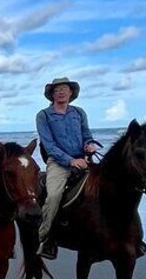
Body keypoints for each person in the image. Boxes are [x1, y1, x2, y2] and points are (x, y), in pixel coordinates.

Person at [35, 77, 98, 260]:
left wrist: (90, 145)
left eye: (64, 89)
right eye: (57, 90)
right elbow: (49, 145)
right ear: (52, 94)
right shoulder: (44, 115)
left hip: (83, 159)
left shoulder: (78, 112)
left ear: (71, 93)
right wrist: (70, 161)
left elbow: (87, 135)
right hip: (58, 163)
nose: (61, 92)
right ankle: (44, 238)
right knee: (54, 195)